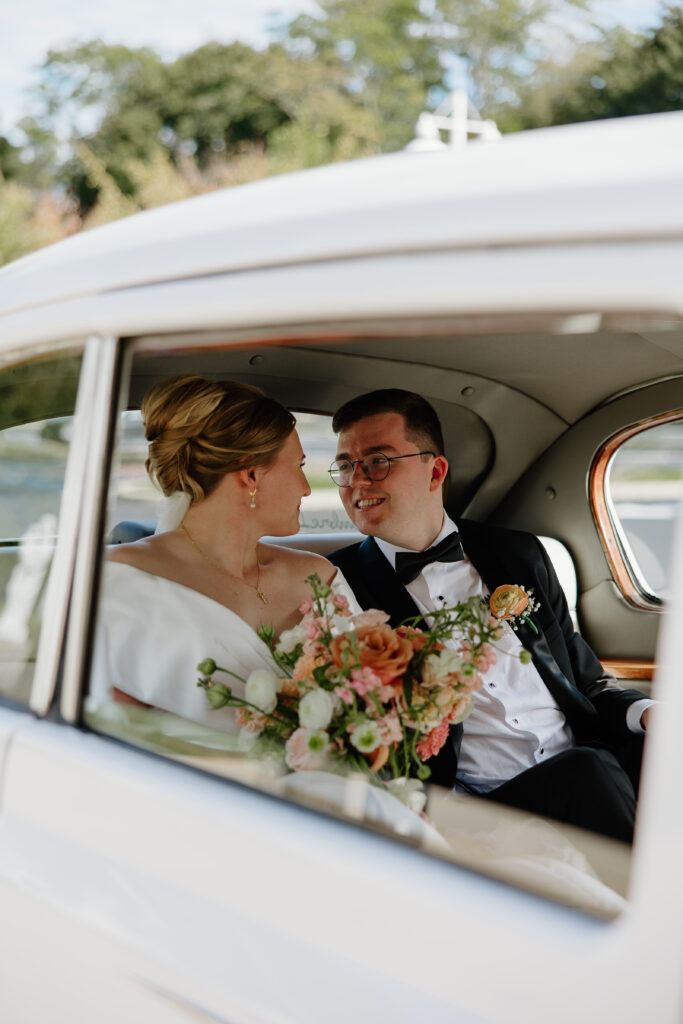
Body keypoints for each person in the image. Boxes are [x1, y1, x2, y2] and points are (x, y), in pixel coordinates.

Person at [328, 388, 654, 843]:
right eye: (345, 466)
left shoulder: (518, 553)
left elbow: (587, 683)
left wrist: (649, 714)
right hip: (477, 807)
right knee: (589, 772)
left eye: (378, 460)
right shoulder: (338, 587)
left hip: (587, 760)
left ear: (435, 471)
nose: (357, 481)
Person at [92, 373, 359, 728]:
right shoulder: (120, 583)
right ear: (250, 475)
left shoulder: (320, 577)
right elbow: (110, 740)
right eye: (298, 466)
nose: (307, 488)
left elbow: (366, 694)